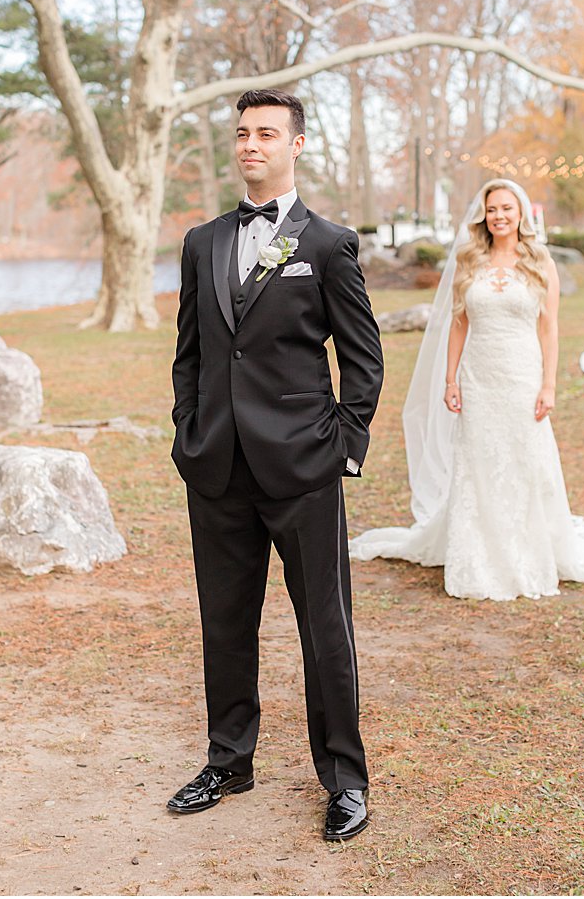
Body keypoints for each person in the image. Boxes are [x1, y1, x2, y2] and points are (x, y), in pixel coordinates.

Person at [168, 88, 383, 842]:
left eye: (265, 132)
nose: (250, 143)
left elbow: (363, 358)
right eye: (241, 132)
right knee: (224, 622)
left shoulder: (327, 244)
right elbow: (191, 354)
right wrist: (187, 434)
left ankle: (345, 777)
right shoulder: (201, 241)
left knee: (325, 626)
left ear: (296, 145)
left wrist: (343, 446)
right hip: (217, 467)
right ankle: (229, 761)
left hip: (303, 467)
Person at [349, 177, 584, 600]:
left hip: (522, 374)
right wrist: (451, 378)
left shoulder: (540, 262)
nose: (499, 216)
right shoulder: (469, 261)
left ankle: (525, 550)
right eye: (492, 209)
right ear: (484, 216)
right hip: (478, 375)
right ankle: (477, 553)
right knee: (479, 459)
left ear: (521, 215)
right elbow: (459, 323)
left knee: (522, 459)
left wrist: (548, 384)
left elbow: (549, 328)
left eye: (506, 209)